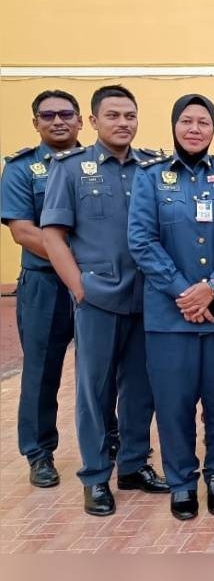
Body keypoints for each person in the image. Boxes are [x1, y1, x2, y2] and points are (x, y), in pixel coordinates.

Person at [40, 84, 169, 516]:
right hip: (98, 298)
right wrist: (78, 287)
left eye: (129, 116)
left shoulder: (151, 168)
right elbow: (52, 235)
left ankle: (133, 465)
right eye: (113, 116)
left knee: (141, 389)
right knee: (94, 392)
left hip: (146, 296)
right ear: (93, 121)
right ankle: (95, 476)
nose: (123, 123)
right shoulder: (72, 168)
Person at [128, 94, 214, 521]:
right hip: (169, 317)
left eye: (203, 122)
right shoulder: (151, 177)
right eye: (187, 121)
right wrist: (186, 292)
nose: (194, 129)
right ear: (174, 126)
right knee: (174, 404)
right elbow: (141, 240)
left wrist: (212, 287)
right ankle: (181, 482)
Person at [2, 90, 81, 489]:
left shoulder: (97, 165)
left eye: (66, 114)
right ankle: (39, 452)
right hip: (46, 286)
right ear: (36, 123)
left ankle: (114, 442)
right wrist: (77, 259)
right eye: (47, 115)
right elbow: (22, 231)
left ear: (81, 120)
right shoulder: (20, 169)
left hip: (97, 285)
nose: (57, 121)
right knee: (41, 371)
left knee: (107, 370)